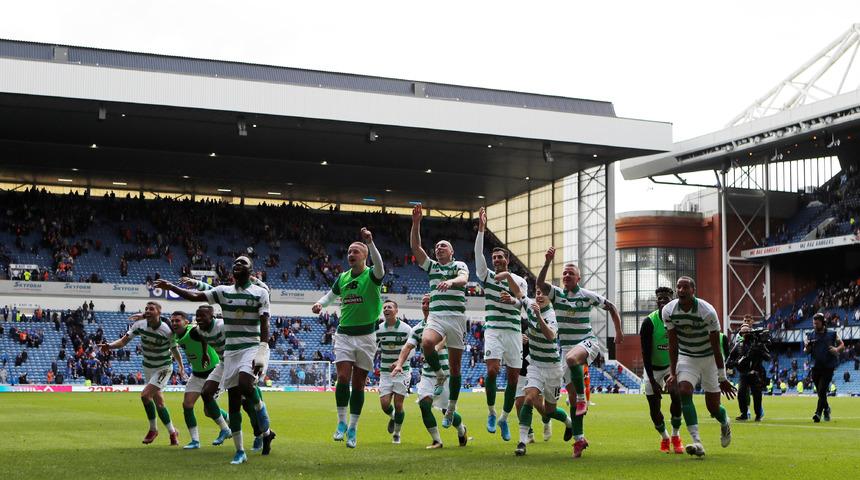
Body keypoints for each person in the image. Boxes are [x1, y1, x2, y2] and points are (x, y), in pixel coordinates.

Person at [154, 255, 275, 465]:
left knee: (246, 385)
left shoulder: (260, 292)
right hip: (230, 354)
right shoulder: (223, 292)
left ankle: (262, 419)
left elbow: (265, 323)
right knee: (231, 401)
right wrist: (172, 287)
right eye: (235, 262)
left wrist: (262, 349)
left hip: (251, 347)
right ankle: (240, 450)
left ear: (251, 270)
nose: (237, 265)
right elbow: (194, 297)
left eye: (243, 263)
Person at [536, 246, 623, 459]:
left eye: (570, 273)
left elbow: (610, 306)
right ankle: (579, 439)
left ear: (579, 278)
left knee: (572, 359)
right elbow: (539, 284)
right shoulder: (556, 294)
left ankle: (584, 397)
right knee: (572, 402)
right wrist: (547, 262)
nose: (566, 275)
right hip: (566, 348)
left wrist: (618, 331)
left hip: (587, 342)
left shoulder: (587, 296)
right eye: (564, 272)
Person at [312, 228, 384, 448]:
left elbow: (380, 267)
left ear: (364, 256)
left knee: (359, 383)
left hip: (366, 337)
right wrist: (320, 304)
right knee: (343, 378)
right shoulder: (342, 277)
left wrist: (370, 243)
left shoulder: (371, 275)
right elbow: (331, 295)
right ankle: (341, 422)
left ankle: (353, 427)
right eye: (349, 251)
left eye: (356, 251)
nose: (351, 254)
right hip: (344, 334)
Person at [497, 271, 573, 457]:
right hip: (536, 364)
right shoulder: (530, 305)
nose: (539, 295)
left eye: (542, 293)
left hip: (553, 368)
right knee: (528, 398)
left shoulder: (552, 315)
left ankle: (568, 422)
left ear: (549, 296)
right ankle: (522, 441)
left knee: (549, 410)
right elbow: (519, 294)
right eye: (537, 292)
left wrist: (538, 317)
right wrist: (507, 276)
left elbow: (551, 336)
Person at [410, 204, 470, 429]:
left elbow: (464, 279)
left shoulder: (459, 265)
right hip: (437, 315)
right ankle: (438, 374)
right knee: (426, 343)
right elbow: (416, 247)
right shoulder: (432, 267)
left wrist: (451, 282)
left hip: (456, 318)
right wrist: (416, 223)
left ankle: (451, 408)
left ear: (452, 251)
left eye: (443, 246)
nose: (439, 248)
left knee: (456, 367)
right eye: (436, 246)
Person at [664, 276, 736, 458]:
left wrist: (722, 377)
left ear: (693, 290)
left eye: (685, 287)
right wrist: (673, 373)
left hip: (709, 358)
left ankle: (725, 422)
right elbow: (673, 344)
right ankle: (697, 442)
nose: (681, 290)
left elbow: (716, 347)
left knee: (713, 407)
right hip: (688, 357)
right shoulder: (669, 311)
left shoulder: (707, 312)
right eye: (678, 287)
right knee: (684, 390)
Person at [475, 207, 528, 439]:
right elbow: (478, 254)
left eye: (500, 257)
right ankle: (490, 411)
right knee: (493, 370)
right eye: (494, 257)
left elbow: (523, 304)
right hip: (495, 329)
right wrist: (481, 230)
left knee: (514, 378)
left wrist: (513, 301)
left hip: (514, 331)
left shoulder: (519, 280)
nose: (496, 260)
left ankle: (504, 419)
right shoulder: (486, 275)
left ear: (507, 260)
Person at [99, 301, 184, 446]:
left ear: (159, 312)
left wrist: (181, 367)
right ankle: (172, 432)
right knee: (159, 403)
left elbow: (174, 349)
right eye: (146, 309)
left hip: (163, 367)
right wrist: (110, 346)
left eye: (152, 309)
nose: (148, 311)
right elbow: (123, 342)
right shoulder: (139, 325)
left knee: (145, 395)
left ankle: (153, 429)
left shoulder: (167, 330)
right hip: (148, 367)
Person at [391, 294, 469, 449]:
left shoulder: (445, 325)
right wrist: (399, 363)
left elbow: (443, 340)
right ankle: (437, 440)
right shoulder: (417, 328)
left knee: (447, 411)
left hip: (445, 374)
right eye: (423, 303)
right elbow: (407, 347)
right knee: (424, 405)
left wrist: (435, 348)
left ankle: (461, 429)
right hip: (427, 374)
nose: (425, 305)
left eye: (429, 303)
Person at [168, 310, 231, 449]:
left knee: (208, 411)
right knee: (187, 405)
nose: (174, 323)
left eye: (177, 320)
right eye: (172, 321)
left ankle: (226, 428)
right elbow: (160, 322)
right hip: (197, 374)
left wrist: (204, 353)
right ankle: (195, 441)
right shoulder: (175, 334)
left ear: (186, 322)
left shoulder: (193, 331)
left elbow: (203, 336)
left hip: (213, 372)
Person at [640, 286, 684, 454]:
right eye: (659, 298)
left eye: (666, 298)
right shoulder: (649, 322)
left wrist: (675, 372)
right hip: (652, 369)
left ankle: (675, 435)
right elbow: (645, 353)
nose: (663, 301)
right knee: (654, 408)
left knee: (676, 393)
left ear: (672, 300)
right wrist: (652, 380)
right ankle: (664, 437)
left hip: (670, 366)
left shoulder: (678, 320)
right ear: (656, 301)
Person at [375, 299, 413, 444]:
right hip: (385, 372)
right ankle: (392, 417)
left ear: (396, 311)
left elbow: (412, 349)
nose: (386, 309)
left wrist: (399, 362)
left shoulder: (406, 329)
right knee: (385, 404)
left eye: (390, 307)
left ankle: (397, 433)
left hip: (402, 372)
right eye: (384, 307)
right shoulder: (379, 329)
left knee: (398, 405)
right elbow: (373, 348)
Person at [727, 314, 770, 422]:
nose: (745, 334)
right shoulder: (738, 346)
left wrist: (759, 350)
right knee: (741, 393)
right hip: (743, 374)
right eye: (743, 332)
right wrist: (736, 363)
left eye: (747, 332)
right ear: (741, 334)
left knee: (757, 395)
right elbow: (729, 361)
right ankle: (744, 413)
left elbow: (768, 357)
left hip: (755, 373)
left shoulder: (758, 344)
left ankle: (758, 414)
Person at [804, 313, 844, 422]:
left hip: (828, 366)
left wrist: (836, 349)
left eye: (817, 323)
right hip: (815, 366)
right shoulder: (810, 334)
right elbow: (805, 351)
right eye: (814, 323)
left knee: (822, 390)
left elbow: (842, 344)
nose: (815, 325)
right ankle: (826, 409)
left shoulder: (832, 334)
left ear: (823, 322)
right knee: (820, 392)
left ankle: (818, 413)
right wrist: (807, 347)